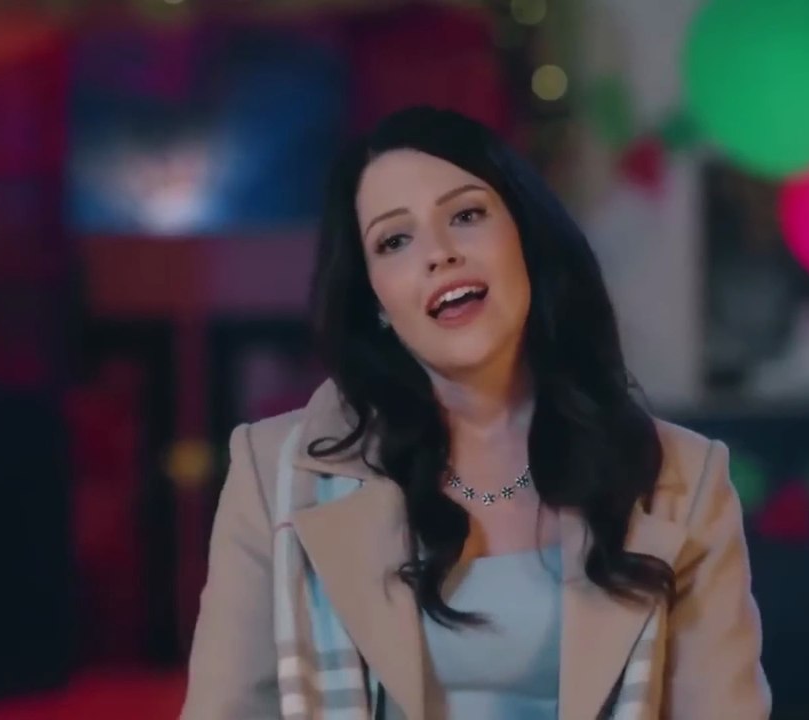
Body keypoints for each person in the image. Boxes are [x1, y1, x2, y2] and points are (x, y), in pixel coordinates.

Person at [181, 106, 769, 719]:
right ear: (375, 297)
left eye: (465, 215)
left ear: (526, 238)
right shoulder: (275, 477)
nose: (439, 254)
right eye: (395, 241)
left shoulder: (683, 479)